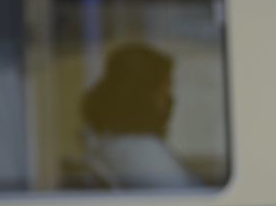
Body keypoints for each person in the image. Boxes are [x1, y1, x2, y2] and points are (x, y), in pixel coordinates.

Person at [81, 42, 200, 189]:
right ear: (144, 96)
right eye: (164, 91)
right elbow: (184, 200)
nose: (170, 101)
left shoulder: (109, 143)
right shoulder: (144, 154)